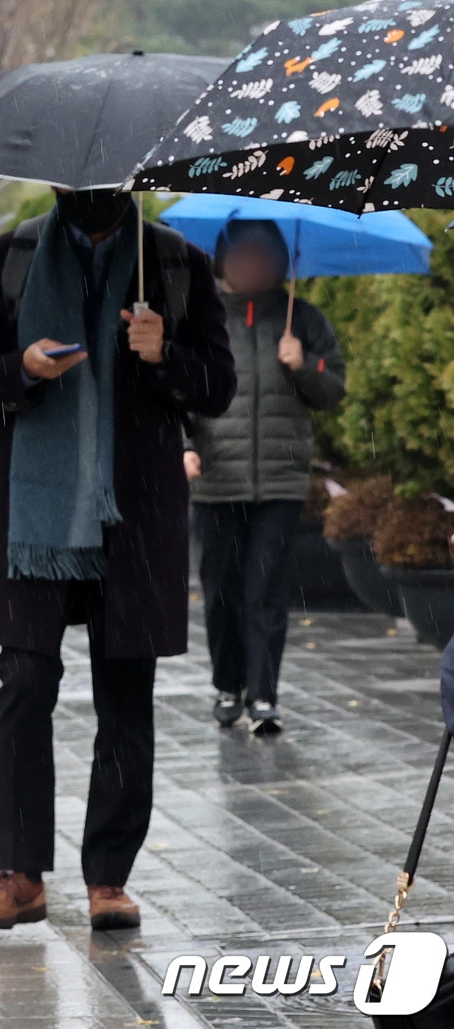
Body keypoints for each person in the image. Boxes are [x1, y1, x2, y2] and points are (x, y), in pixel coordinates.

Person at [0, 189, 235, 932]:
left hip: (135, 510)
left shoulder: (175, 263)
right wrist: (23, 367)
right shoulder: (5, 260)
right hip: (31, 511)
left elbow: (218, 386)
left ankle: (110, 876)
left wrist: (162, 351)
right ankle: (19, 872)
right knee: (25, 682)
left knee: (125, 690)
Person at [186, 220, 345, 737]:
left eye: (264, 255)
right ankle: (228, 684)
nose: (254, 265)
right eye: (243, 255)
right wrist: (184, 447)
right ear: (224, 260)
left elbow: (333, 390)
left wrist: (305, 364)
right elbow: (179, 393)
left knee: (266, 590)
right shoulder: (202, 319)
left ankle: (264, 695)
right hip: (217, 480)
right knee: (222, 591)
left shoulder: (303, 318)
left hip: (280, 480)